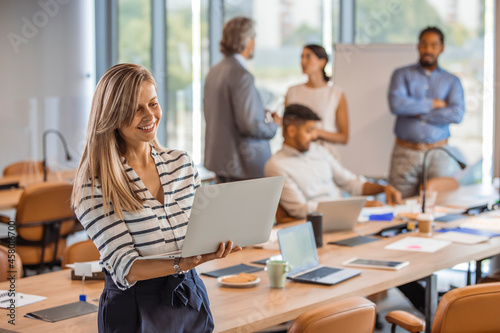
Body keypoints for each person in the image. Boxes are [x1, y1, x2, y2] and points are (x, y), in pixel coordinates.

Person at [72, 63, 241, 332]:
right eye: (136, 109)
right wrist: (182, 263)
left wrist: (218, 241)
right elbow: (125, 268)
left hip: (190, 296)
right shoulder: (95, 184)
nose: (149, 115)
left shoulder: (182, 164)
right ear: (113, 116)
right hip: (134, 310)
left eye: (153, 104)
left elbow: (201, 231)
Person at [264, 103, 401, 219]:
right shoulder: (277, 166)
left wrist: (383, 188)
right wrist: (354, 206)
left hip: (346, 216)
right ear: (292, 131)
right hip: (319, 224)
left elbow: (351, 183)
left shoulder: (320, 151)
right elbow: (300, 209)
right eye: (309, 130)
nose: (315, 135)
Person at [388, 26, 465, 198]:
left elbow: (456, 114)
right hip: (405, 152)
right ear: (418, 46)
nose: (428, 50)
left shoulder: (452, 81)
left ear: (441, 48)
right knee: (398, 203)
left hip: (438, 152)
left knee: (436, 206)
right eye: (424, 45)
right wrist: (433, 104)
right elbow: (397, 105)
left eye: (433, 45)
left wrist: (418, 111)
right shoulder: (401, 75)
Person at [203, 16, 280, 183]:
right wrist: (273, 125)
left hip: (220, 161)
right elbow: (249, 125)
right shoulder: (241, 75)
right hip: (243, 166)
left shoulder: (214, 71)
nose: (255, 43)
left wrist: (258, 111)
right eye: (254, 38)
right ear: (246, 40)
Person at [285, 44, 348, 159]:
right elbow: (287, 127)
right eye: (301, 57)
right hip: (296, 156)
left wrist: (316, 132)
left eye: (308, 56)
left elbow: (344, 137)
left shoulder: (336, 94)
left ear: (322, 62)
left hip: (326, 156)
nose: (303, 61)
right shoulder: (292, 91)